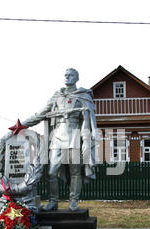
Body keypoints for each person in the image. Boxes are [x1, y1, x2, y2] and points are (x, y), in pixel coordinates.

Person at [22, 68, 98, 211]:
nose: (67, 77)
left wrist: (88, 138)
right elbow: (40, 114)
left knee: (75, 172)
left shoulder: (83, 96)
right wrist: (22, 124)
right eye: (65, 75)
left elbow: (88, 121)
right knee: (52, 172)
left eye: (70, 75)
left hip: (75, 136)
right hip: (57, 137)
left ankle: (73, 201)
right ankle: (53, 202)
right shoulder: (57, 96)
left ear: (76, 78)